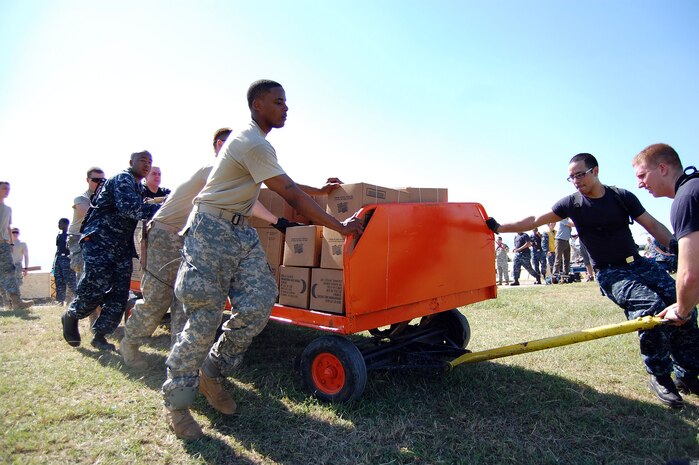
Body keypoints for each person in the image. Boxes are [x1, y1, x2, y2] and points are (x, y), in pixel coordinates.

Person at [161, 80, 363, 440]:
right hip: (210, 229)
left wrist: (320, 189)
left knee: (259, 302)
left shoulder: (257, 145)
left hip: (240, 231)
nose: (286, 108)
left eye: (286, 102)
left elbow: (283, 183)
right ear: (258, 105)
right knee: (203, 317)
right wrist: (340, 226)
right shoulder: (250, 140)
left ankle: (213, 369)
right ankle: (177, 405)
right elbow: (288, 193)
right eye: (278, 102)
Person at [486, 152, 699, 408]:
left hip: (639, 263)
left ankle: (688, 374)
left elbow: (652, 225)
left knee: (682, 303)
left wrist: (678, 248)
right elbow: (534, 220)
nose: (576, 180)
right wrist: (498, 227)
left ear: (595, 171)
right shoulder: (571, 204)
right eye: (571, 177)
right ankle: (659, 375)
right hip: (611, 272)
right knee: (650, 307)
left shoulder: (621, 197)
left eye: (580, 174)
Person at [121, 128, 319, 369]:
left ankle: (182, 364)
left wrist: (319, 191)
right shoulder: (212, 170)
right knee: (158, 299)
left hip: (193, 238)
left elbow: (278, 182)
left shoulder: (236, 176)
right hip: (166, 233)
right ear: (218, 146)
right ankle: (130, 344)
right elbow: (254, 201)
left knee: (187, 303)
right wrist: (276, 221)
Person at [60, 151, 160, 351]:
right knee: (95, 285)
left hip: (121, 247)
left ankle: (100, 335)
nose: (147, 165)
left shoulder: (137, 186)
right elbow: (130, 209)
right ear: (131, 162)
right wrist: (165, 209)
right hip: (100, 242)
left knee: (120, 293)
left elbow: (144, 204)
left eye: (150, 162)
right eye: (143, 161)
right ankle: (72, 314)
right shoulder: (123, 178)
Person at [632, 143, 699, 397]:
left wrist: (682, 310)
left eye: (642, 176)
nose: (640, 184)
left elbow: (691, 273)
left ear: (662, 168)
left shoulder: (686, 199)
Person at [68, 167, 106, 279]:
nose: (99, 183)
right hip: (79, 239)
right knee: (84, 269)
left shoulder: (105, 198)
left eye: (103, 181)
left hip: (98, 238)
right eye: (96, 180)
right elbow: (90, 214)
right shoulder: (81, 199)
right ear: (88, 180)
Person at [0, 182, 33, 310]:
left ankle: (16, 302)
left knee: (10, 271)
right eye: (4, 189)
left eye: (8, 189)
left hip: (3, 245)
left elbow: (8, 226)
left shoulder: (8, 209)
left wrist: (11, 243)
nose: (7, 191)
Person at [52, 218, 77, 306]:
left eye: (60, 223)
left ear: (66, 224)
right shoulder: (59, 235)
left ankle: (78, 298)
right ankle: (60, 301)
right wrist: (54, 262)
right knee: (59, 281)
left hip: (67, 260)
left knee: (71, 281)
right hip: (59, 259)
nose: (58, 225)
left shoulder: (70, 235)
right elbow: (58, 249)